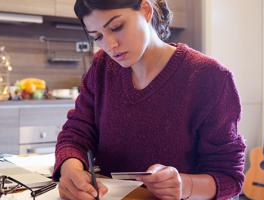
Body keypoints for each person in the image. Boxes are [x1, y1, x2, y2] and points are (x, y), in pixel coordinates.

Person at [53, 0, 246, 199]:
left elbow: (230, 177)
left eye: (117, 27)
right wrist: (71, 170)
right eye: (98, 36)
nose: (110, 45)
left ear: (145, 10)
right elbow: (76, 133)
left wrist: (183, 185)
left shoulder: (208, 76)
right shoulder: (102, 66)